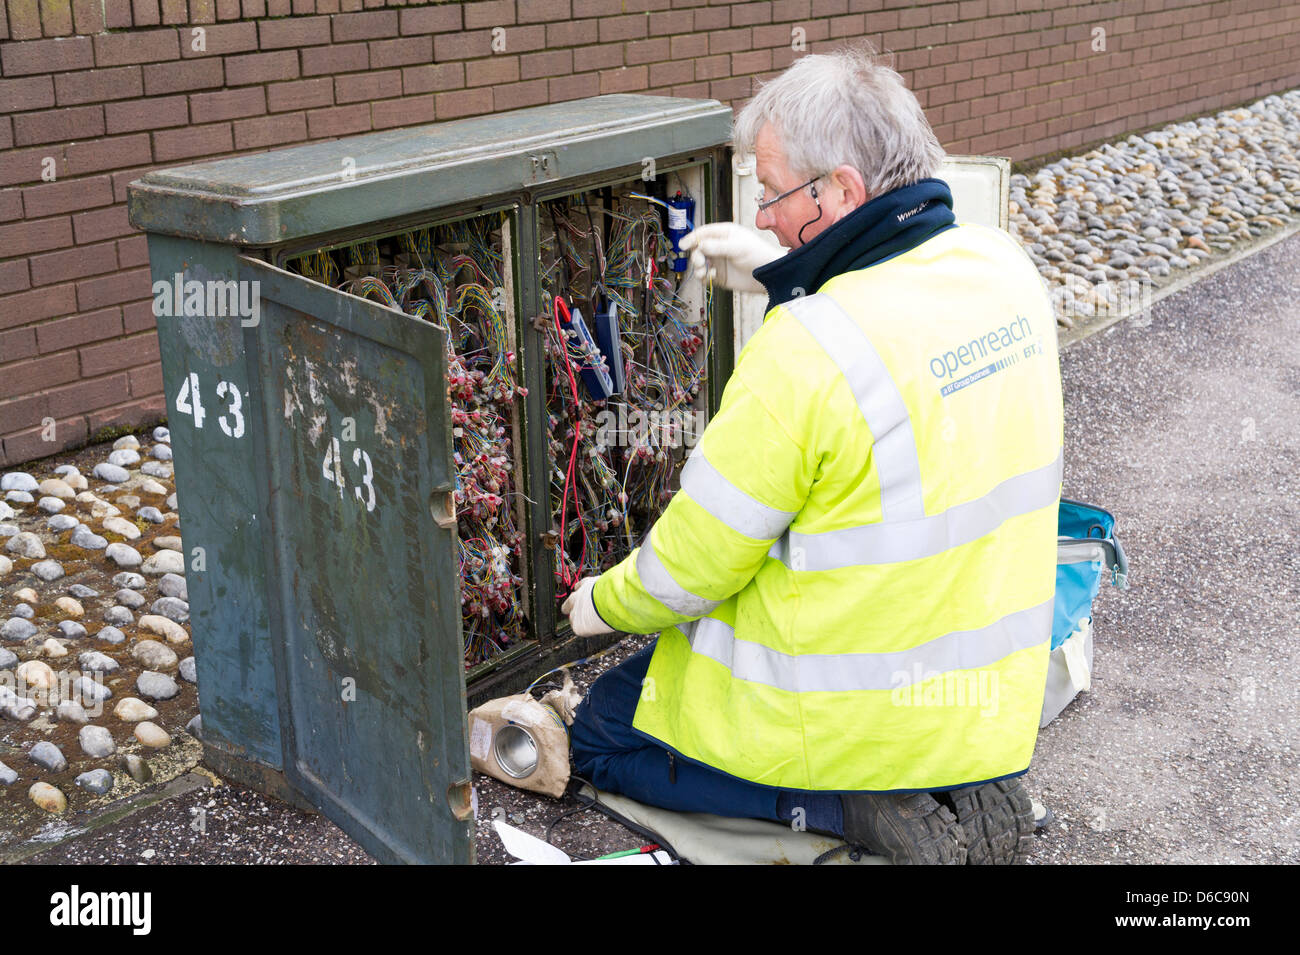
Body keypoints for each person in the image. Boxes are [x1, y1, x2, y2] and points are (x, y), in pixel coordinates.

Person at [561, 45, 1064, 865]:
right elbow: (901, 349)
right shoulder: (1004, 268)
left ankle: (841, 805)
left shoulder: (807, 351)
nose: (762, 216)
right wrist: (791, 277)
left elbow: (696, 564)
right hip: (977, 695)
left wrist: (599, 605)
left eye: (773, 192)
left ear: (842, 191)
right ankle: (961, 780)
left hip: (849, 704)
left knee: (604, 733)